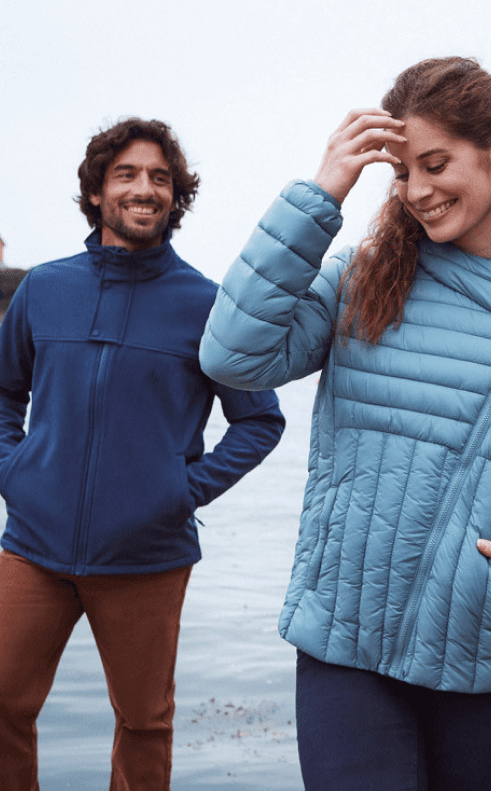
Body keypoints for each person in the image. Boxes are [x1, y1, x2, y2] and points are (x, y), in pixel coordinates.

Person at [199, 57, 491, 791]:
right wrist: (319, 194)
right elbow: (233, 355)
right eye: (401, 173)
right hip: (345, 647)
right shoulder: (361, 278)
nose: (418, 192)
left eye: (435, 164)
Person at [0, 118, 285, 791]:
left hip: (147, 556)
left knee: (144, 722)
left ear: (174, 197)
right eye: (126, 174)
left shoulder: (206, 305)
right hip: (32, 545)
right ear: (96, 192)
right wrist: (15, 472)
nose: (144, 189)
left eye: (159, 178)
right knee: (3, 704)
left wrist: (178, 493)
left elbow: (258, 422)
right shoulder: (44, 287)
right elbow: (4, 394)